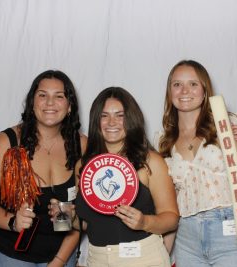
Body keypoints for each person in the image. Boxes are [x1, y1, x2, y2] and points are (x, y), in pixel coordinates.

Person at [155, 60, 237, 266]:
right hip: (186, 238)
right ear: (169, 91)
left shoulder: (229, 124)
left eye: (193, 84)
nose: (184, 91)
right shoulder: (162, 140)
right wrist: (162, 256)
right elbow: (171, 205)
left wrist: (233, 157)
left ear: (205, 89)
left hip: (232, 231)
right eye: (177, 84)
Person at [0, 70, 87, 267]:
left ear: (69, 106)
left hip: (59, 252)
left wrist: (59, 262)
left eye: (59, 96)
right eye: (42, 95)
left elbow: (82, 216)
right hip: (7, 251)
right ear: (32, 103)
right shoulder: (6, 143)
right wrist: (12, 222)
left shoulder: (82, 146)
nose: (50, 102)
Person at [74, 87, 179, 267]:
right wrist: (69, 217)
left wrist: (145, 222)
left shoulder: (150, 161)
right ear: (96, 121)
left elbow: (171, 218)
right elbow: (87, 224)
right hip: (96, 259)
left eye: (120, 115)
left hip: (143, 259)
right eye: (104, 115)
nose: (111, 122)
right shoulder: (84, 166)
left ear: (131, 119)